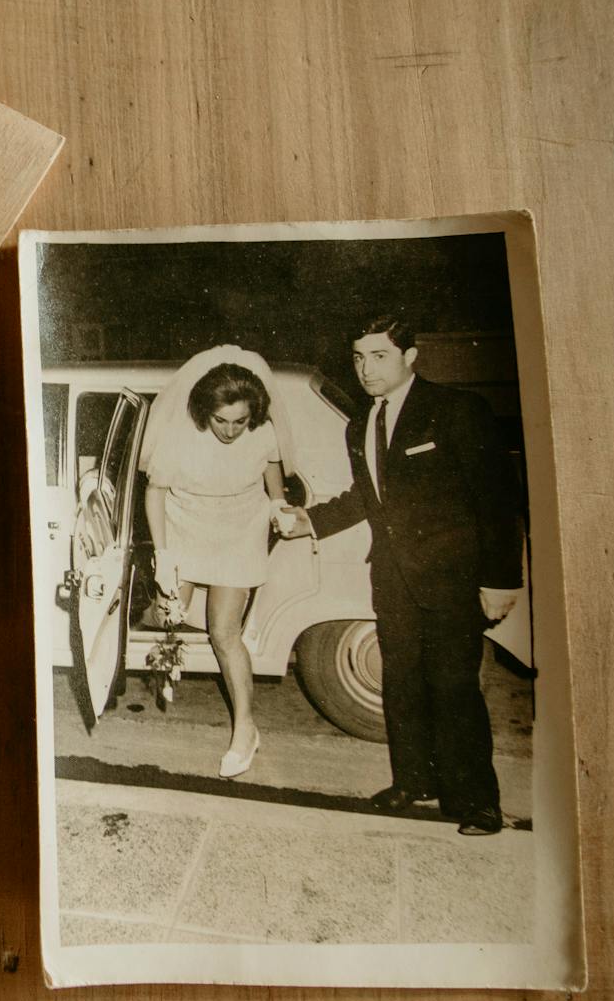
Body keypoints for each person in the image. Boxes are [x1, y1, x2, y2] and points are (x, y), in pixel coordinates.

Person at [282, 315, 522, 835]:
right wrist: (309, 521)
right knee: (403, 685)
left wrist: (502, 579)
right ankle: (415, 781)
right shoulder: (360, 423)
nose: (366, 369)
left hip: (451, 578)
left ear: (410, 356)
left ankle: (476, 801)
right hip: (392, 579)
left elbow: (497, 502)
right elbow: (369, 500)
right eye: (358, 357)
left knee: (454, 688)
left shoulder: (457, 411)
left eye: (379, 356)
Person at [140, 346, 298, 779]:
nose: (230, 431)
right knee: (166, 616)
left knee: (223, 632)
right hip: (186, 526)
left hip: (239, 529)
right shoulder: (178, 435)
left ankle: (245, 729)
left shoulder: (261, 431)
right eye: (221, 421)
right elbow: (155, 494)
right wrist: (164, 554)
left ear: (253, 416)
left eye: (240, 422)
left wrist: (278, 503)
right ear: (204, 412)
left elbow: (271, 465)